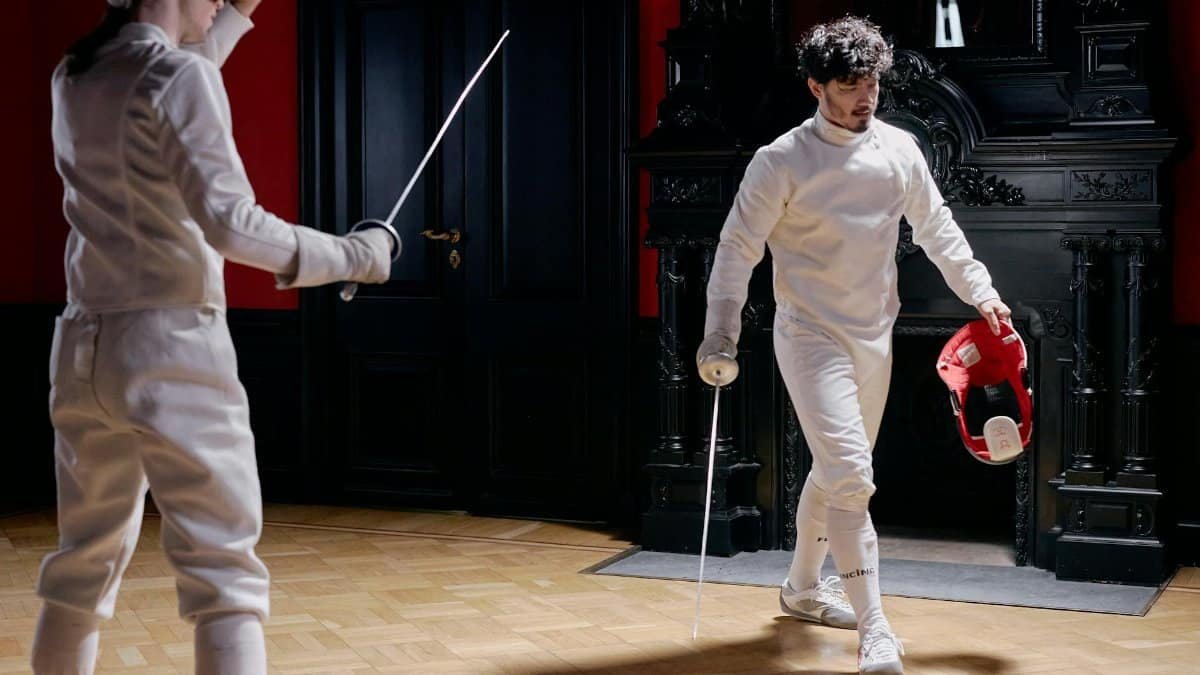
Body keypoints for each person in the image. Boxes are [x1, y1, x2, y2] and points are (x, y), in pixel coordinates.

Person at [32, 1, 397, 673]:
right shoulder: (176, 76)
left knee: (81, 565)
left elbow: (169, 79)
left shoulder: (77, 74)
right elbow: (230, 222)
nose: (222, 3)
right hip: (172, 348)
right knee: (224, 574)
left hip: (84, 346)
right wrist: (356, 255)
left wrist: (235, 16)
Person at [695, 15, 1011, 675]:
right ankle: (877, 631)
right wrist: (719, 333)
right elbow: (736, 248)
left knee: (838, 469)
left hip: (875, 335)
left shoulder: (900, 149)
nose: (865, 96)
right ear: (816, 86)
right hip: (809, 336)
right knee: (852, 477)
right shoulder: (781, 160)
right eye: (849, 84)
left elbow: (937, 228)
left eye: (872, 82)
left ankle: (802, 588)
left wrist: (982, 293)